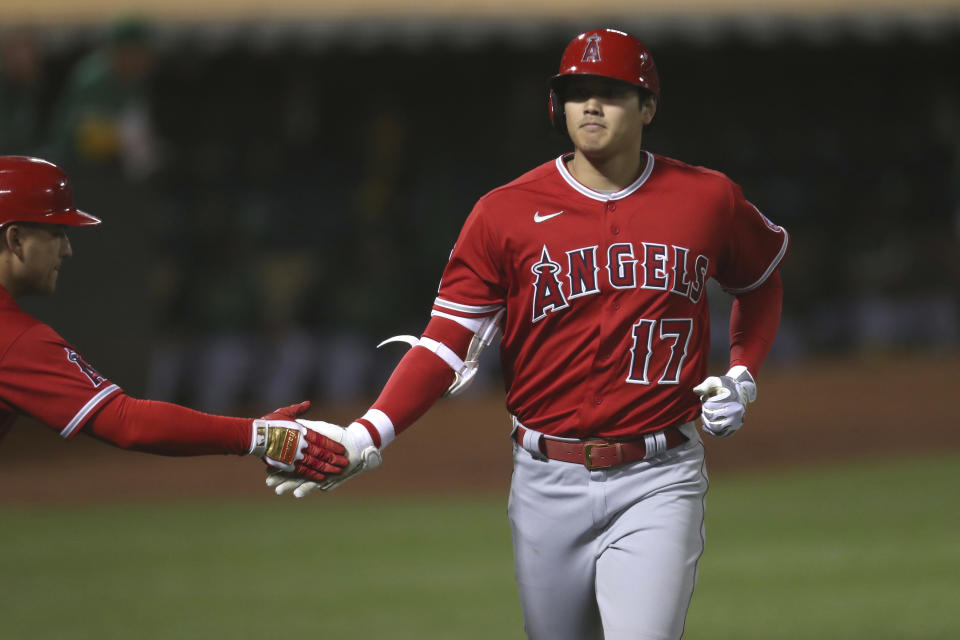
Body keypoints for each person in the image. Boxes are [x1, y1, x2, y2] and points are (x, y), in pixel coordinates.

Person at [272, 28, 789, 640]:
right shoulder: (504, 212)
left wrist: (742, 373)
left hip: (660, 474)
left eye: (612, 92)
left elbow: (760, 280)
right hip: (546, 479)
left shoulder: (707, 198)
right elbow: (444, 343)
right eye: (577, 92)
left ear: (648, 107)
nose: (591, 106)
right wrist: (367, 433)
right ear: (557, 106)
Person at [0, 155, 348, 487]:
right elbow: (126, 421)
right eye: (56, 233)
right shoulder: (14, 337)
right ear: (15, 240)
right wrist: (262, 436)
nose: (66, 249)